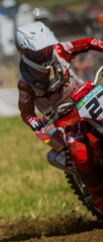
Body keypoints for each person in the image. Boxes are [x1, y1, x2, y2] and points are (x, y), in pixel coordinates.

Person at [16, 21, 103, 213]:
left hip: (87, 95)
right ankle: (99, 196)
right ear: (26, 52)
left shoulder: (60, 50)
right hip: (65, 119)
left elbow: (89, 42)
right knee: (80, 154)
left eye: (46, 49)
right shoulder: (25, 84)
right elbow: (26, 112)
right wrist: (33, 120)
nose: (45, 54)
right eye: (39, 52)